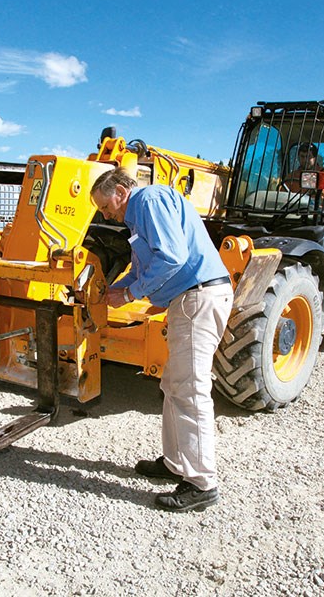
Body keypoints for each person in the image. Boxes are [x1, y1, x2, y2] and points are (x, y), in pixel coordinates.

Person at [90, 167, 234, 513]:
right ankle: (175, 462)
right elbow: (144, 267)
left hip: (197, 298)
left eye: (105, 205)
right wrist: (115, 287)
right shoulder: (141, 217)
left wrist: (130, 295)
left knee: (190, 388)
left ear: (122, 191)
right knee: (173, 384)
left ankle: (201, 482)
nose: (105, 213)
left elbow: (172, 256)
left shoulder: (149, 199)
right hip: (188, 301)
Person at [282, 142, 324, 213]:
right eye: (302, 156)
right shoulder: (291, 177)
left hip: (319, 217)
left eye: (308, 157)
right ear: (298, 157)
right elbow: (282, 197)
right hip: (294, 216)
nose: (305, 160)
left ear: (315, 158)